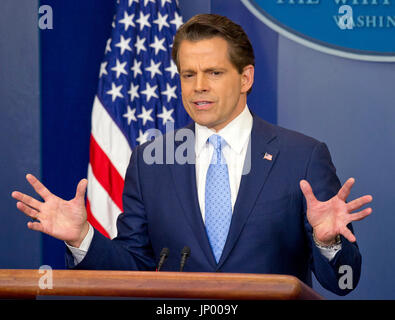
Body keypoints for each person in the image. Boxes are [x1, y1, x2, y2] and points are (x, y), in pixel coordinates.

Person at [12, 14, 372, 296]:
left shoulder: (303, 156)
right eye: (188, 74)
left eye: (214, 73)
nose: (198, 86)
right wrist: (82, 238)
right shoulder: (151, 160)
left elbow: (344, 283)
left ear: (245, 78)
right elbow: (133, 270)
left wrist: (328, 243)